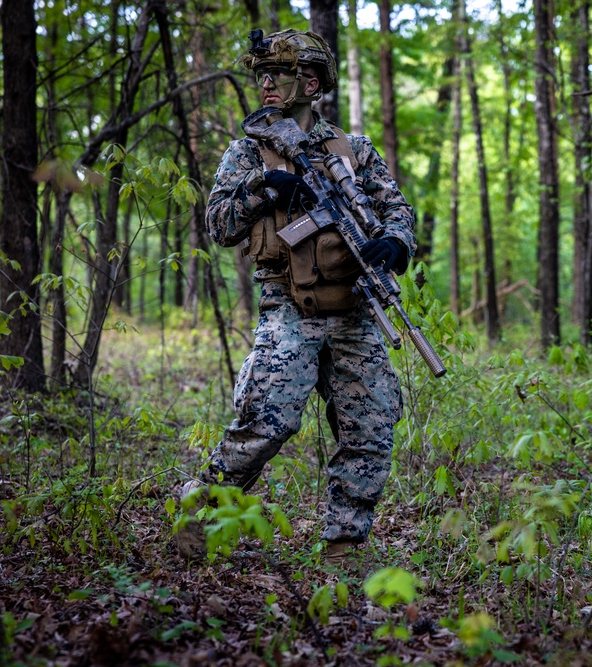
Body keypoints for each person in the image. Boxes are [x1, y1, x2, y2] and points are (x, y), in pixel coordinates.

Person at [174, 29, 414, 561]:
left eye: (277, 75)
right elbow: (218, 225)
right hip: (288, 308)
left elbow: (396, 208)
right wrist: (263, 189)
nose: (265, 85)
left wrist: (396, 241)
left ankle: (345, 544)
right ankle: (203, 512)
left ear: (311, 81)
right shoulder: (246, 153)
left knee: (371, 427)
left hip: (355, 309)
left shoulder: (354, 151)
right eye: (260, 76)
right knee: (267, 421)